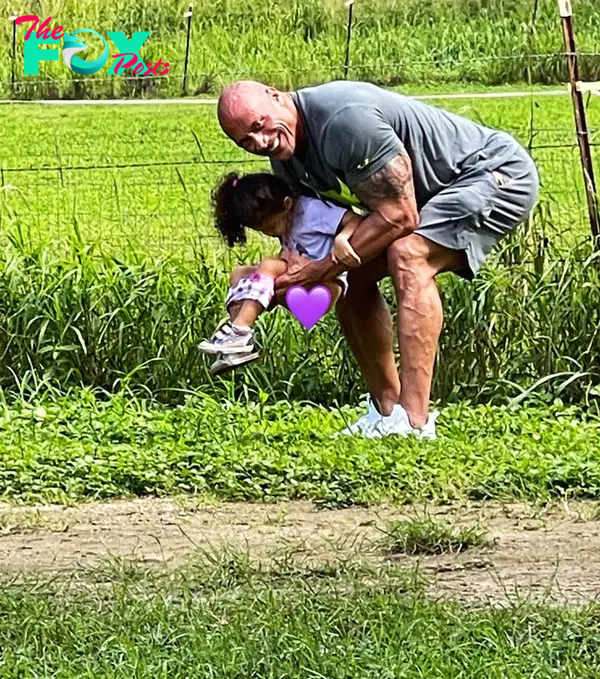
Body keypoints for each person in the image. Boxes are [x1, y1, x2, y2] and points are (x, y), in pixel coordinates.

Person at [216, 79, 540, 440]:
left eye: (259, 126)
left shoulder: (344, 122)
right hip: (424, 202)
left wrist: (322, 269)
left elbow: (401, 216)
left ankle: (414, 422)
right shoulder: (288, 162)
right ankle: (387, 412)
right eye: (246, 141)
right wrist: (273, 287)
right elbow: (324, 237)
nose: (261, 143)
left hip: (494, 174)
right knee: (351, 281)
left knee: (409, 255)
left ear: (275, 96)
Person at [198, 171, 363, 377]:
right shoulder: (286, 219)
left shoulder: (311, 210)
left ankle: (240, 329)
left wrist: (342, 240)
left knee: (268, 265)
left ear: (286, 204)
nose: (271, 233)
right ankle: (237, 343)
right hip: (302, 288)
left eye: (272, 226)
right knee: (239, 273)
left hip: (326, 285)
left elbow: (354, 219)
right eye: (263, 230)